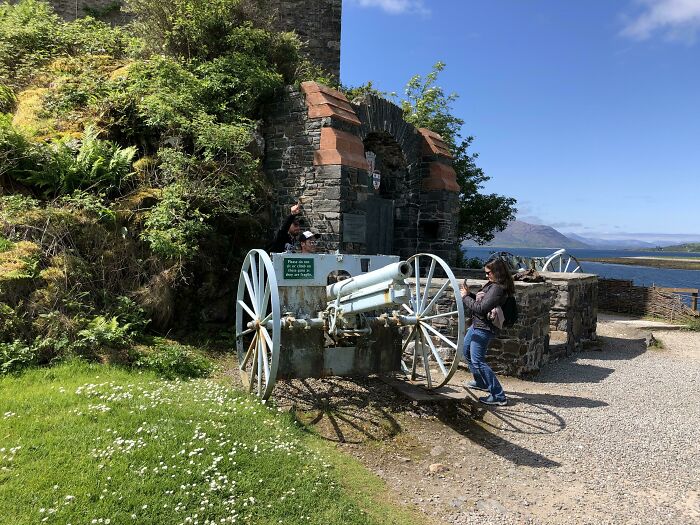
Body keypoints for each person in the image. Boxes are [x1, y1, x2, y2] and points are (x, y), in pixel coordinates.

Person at [460, 258, 515, 406]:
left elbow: (481, 309)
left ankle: (498, 395)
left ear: (497, 271)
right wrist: (469, 294)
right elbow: (482, 303)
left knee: (478, 360)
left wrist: (465, 297)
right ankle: (481, 383)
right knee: (466, 352)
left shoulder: (497, 288)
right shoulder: (492, 285)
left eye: (488, 272)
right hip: (477, 325)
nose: (486, 276)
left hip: (485, 327)